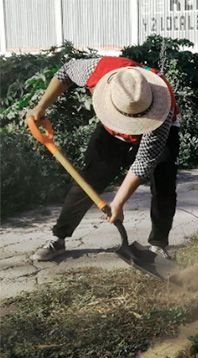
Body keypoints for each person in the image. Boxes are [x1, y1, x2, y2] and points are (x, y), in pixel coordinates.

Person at [27, 57, 180, 261]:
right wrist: (41, 107)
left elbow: (143, 162)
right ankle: (59, 238)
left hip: (159, 129)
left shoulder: (162, 109)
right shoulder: (98, 71)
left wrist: (117, 203)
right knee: (88, 180)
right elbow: (65, 72)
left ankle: (158, 245)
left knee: (164, 185)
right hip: (110, 131)